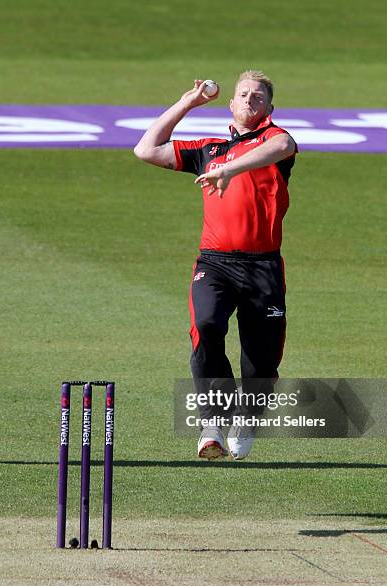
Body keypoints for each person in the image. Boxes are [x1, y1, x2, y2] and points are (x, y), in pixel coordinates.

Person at [134, 70, 297, 460]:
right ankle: (213, 421)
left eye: (258, 97)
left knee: (261, 362)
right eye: (243, 95)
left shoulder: (275, 139)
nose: (249, 101)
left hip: (263, 268)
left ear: (269, 108)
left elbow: (282, 147)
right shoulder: (210, 148)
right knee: (206, 325)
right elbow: (146, 149)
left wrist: (230, 169)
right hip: (215, 262)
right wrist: (187, 103)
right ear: (231, 103)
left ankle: (247, 416)